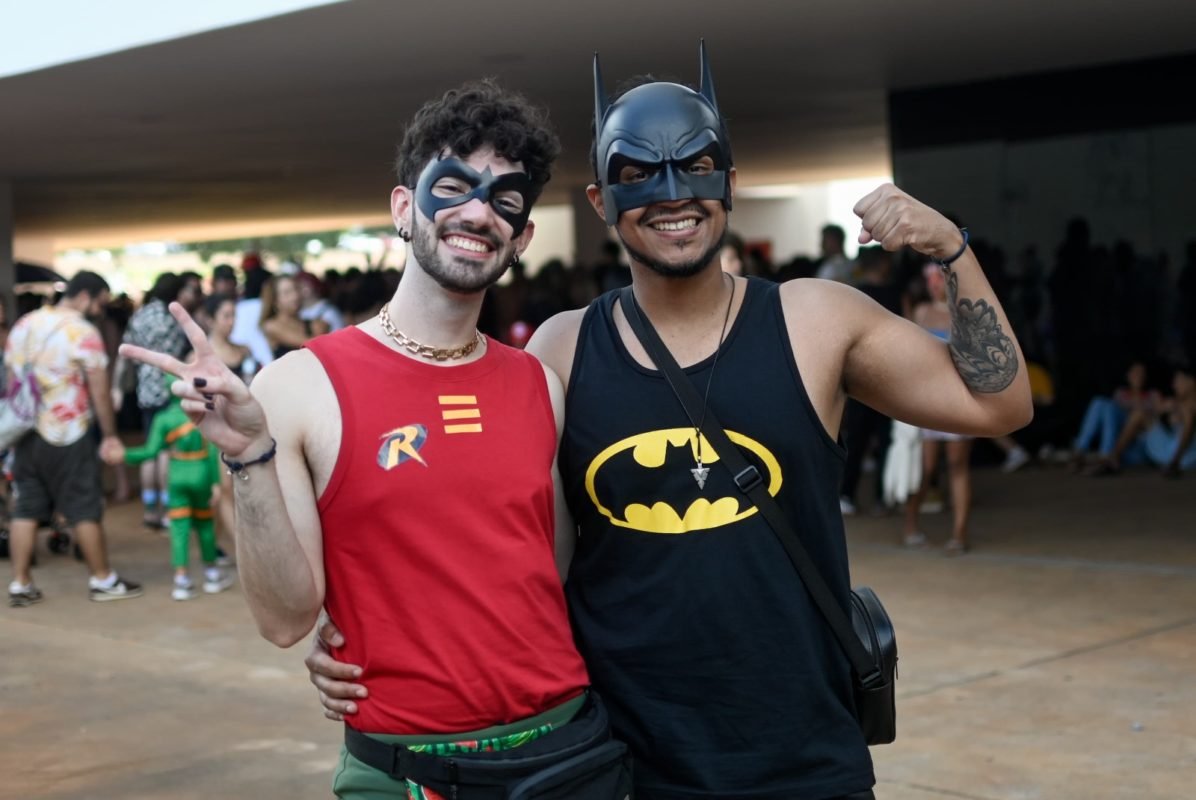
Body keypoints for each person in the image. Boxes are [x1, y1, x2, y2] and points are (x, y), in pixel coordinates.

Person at [310, 45, 1032, 800]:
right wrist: (358, 636)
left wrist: (952, 250)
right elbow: (477, 524)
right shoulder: (561, 349)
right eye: (636, 175)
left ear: (728, 182)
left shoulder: (815, 320)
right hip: (624, 760)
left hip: (804, 755)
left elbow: (999, 405)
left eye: (694, 165)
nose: (670, 193)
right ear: (599, 202)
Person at [119, 81, 630, 800]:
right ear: (403, 207)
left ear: (521, 237)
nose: (478, 212)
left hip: (564, 750)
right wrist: (247, 457)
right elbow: (285, 619)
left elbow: (549, 573)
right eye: (453, 186)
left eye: (505, 201)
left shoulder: (537, 384)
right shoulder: (299, 386)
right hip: (403, 766)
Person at [5, 271, 143, 606]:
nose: (101, 309)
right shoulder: (83, 332)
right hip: (70, 433)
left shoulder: (25, 324)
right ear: (85, 296)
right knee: (84, 508)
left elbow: (11, 381)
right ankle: (103, 580)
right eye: (100, 302)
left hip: (26, 432)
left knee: (25, 508)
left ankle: (21, 585)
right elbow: (99, 391)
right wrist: (110, 435)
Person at [104, 386, 233, 600]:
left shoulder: (163, 418)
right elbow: (212, 450)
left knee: (179, 527)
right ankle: (211, 574)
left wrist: (124, 454)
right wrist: (216, 483)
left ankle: (181, 580)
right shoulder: (205, 413)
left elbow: (150, 452)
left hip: (177, 474)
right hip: (201, 473)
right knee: (205, 525)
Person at [902, 261, 976, 554]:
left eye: (939, 278)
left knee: (958, 466)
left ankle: (959, 533)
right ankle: (910, 523)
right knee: (926, 468)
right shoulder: (921, 312)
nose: (934, 283)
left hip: (957, 398)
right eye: (930, 278)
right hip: (926, 399)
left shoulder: (964, 313)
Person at [116, 272, 191, 529]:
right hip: (169, 385)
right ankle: (170, 509)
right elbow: (181, 350)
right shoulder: (171, 316)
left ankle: (150, 508)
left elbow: (127, 350)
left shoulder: (141, 313)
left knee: (150, 447)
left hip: (145, 387)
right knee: (167, 450)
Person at [259, 274, 328, 359]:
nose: (295, 296)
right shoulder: (271, 326)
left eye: (296, 289)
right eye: (287, 293)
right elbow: (309, 345)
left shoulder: (312, 323)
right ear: (275, 301)